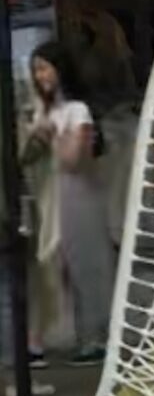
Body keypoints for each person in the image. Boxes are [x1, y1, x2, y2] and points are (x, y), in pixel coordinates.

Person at [26, 44, 115, 358]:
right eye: (36, 70)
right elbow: (28, 158)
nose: (40, 76)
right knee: (52, 266)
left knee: (85, 264)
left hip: (79, 195)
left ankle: (95, 337)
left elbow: (74, 160)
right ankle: (44, 338)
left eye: (44, 68)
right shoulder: (43, 110)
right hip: (50, 196)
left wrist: (52, 133)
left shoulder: (78, 110)